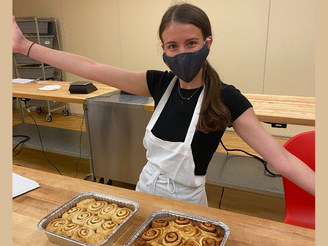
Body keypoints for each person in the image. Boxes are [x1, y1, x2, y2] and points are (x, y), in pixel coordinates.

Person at [12, 3, 315, 206]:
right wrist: (25, 46)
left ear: (207, 44)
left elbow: (282, 160)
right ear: (164, 50)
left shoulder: (226, 98)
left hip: (189, 205)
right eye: (173, 46)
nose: (181, 53)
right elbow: (90, 67)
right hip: (144, 195)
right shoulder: (158, 83)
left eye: (191, 44)